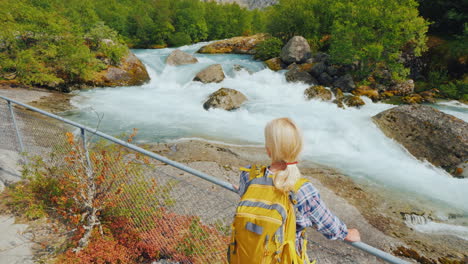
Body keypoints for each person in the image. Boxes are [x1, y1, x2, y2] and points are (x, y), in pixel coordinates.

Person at [235, 117, 360, 262]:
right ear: (298, 148)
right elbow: (332, 227)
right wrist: (349, 232)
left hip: (245, 256)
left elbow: (247, 196)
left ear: (269, 150)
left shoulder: (249, 175)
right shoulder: (302, 189)